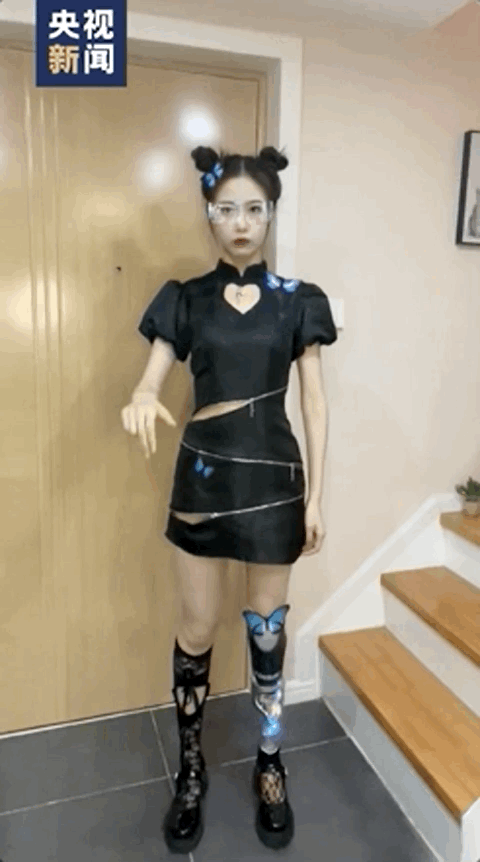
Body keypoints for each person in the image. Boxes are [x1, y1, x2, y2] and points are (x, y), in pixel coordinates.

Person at [120, 145, 337, 854]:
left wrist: (316, 499)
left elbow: (315, 404)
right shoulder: (185, 298)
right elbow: (152, 376)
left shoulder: (299, 299)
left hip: (275, 484)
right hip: (202, 483)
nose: (241, 223)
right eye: (226, 210)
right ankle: (190, 770)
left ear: (270, 213)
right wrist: (143, 394)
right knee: (197, 628)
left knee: (267, 634)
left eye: (254, 209)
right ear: (209, 215)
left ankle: (270, 764)